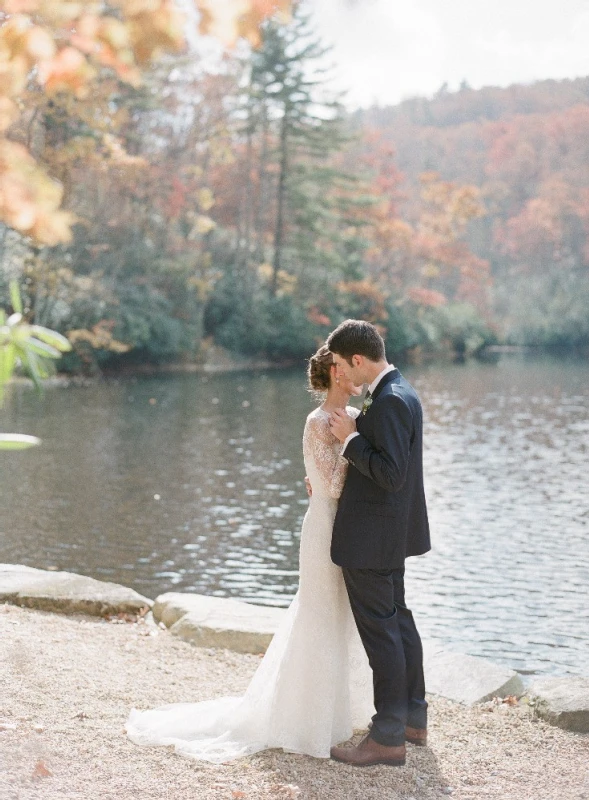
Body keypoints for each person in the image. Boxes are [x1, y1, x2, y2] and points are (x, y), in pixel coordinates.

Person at [125, 345, 373, 763]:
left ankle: (332, 713)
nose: (358, 373)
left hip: (338, 526)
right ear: (336, 371)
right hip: (323, 530)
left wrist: (352, 436)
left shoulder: (349, 420)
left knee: (337, 616)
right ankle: (301, 718)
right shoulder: (320, 422)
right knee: (318, 615)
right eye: (350, 367)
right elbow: (330, 486)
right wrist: (351, 440)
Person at [325, 319, 431, 768]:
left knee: (382, 634)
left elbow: (390, 474)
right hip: (391, 534)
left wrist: (349, 438)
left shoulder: (387, 402)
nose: (339, 375)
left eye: (339, 366)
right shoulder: (401, 390)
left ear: (357, 360)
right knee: (399, 623)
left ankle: (387, 737)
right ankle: (411, 719)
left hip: (371, 540)